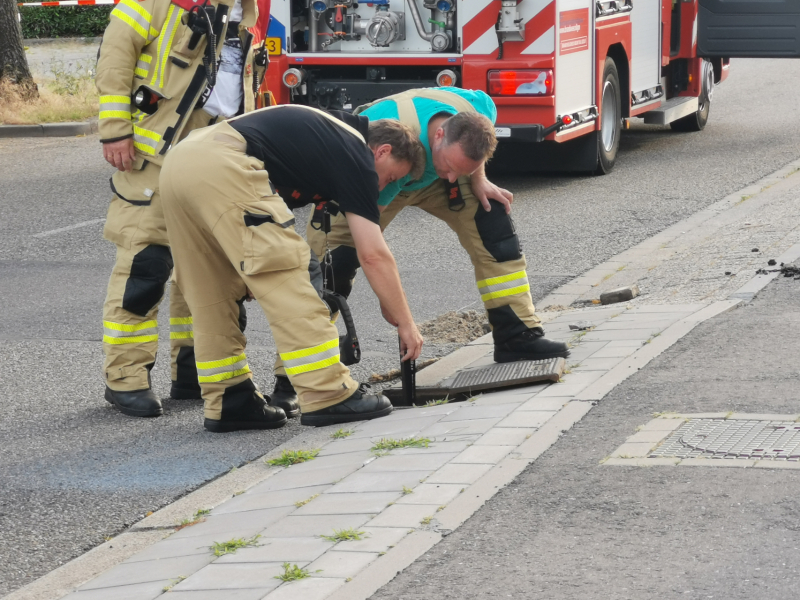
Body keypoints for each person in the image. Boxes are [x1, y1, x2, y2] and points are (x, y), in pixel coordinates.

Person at [159, 105, 425, 432]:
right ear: (381, 151)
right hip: (223, 164)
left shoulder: (328, 132)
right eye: (391, 176)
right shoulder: (356, 153)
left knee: (212, 288)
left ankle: (230, 398)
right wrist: (405, 322)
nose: (384, 186)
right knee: (290, 272)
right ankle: (328, 392)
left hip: (179, 164)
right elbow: (372, 254)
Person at [296, 87, 569, 406]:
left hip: (426, 179)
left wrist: (477, 177)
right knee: (333, 266)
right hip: (377, 182)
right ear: (438, 135)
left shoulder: (477, 111)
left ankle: (517, 336)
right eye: (450, 166)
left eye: (460, 170)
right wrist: (392, 302)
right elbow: (373, 250)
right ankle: (294, 373)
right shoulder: (394, 146)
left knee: (492, 220)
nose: (453, 178)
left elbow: (477, 140)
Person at [96, 0, 268, 418]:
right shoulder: (150, 5)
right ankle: (126, 379)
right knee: (145, 266)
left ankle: (192, 369)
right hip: (155, 154)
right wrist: (115, 130)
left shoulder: (244, 11)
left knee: (208, 268)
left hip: (218, 154)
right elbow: (114, 63)